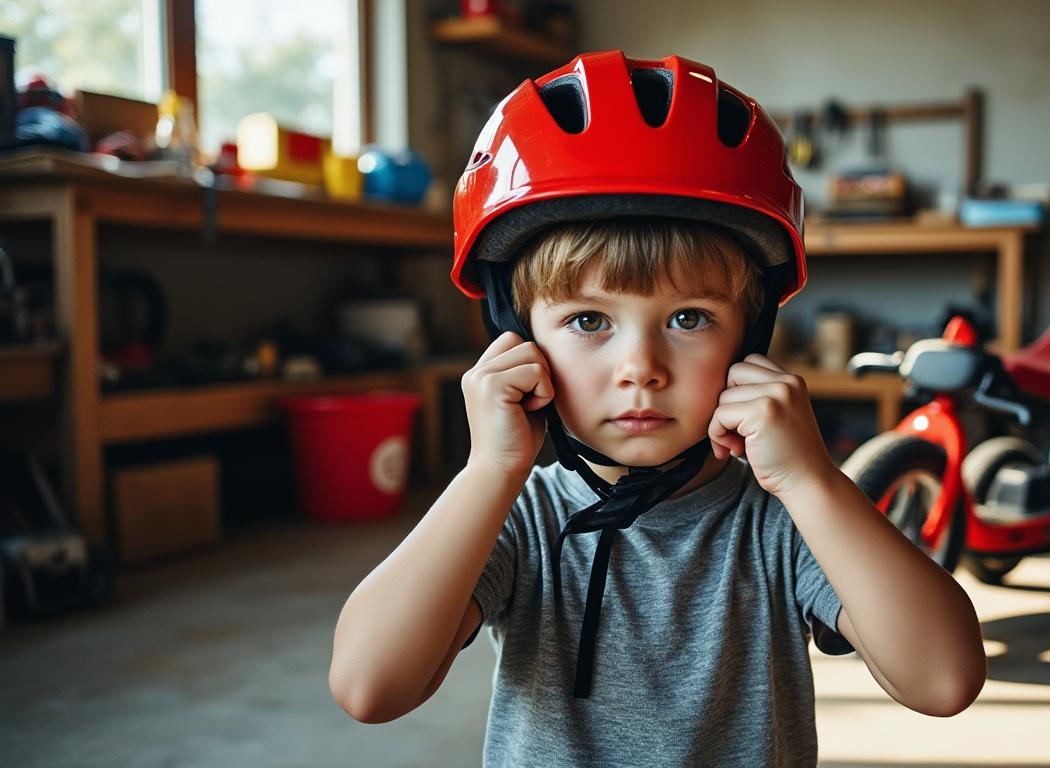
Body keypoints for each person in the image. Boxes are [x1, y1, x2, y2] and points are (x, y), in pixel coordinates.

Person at [329, 51, 985, 766]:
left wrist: (813, 481)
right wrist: (488, 470)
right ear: (519, 342)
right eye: (588, 321)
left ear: (750, 340)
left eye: (689, 319)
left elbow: (944, 680)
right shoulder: (521, 516)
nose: (640, 368)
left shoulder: (784, 521)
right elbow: (369, 687)